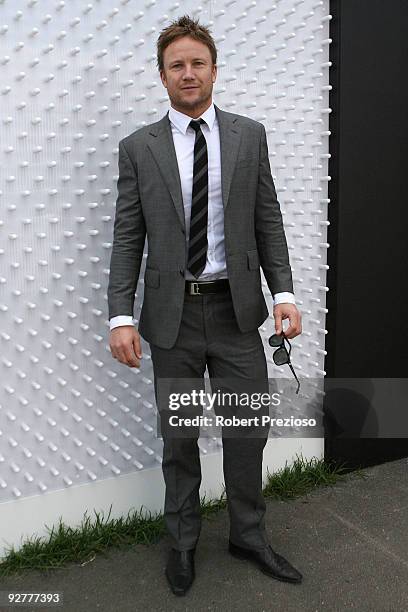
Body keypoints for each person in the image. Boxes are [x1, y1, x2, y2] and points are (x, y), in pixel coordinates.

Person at [108, 15, 303, 596]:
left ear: (214, 68)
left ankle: (247, 534)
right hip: (172, 320)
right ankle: (184, 543)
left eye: (197, 62)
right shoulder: (137, 148)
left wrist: (284, 293)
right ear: (162, 76)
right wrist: (121, 315)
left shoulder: (249, 135)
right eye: (176, 65)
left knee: (247, 431)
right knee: (179, 436)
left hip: (238, 313)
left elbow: (267, 217)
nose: (187, 73)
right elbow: (127, 236)